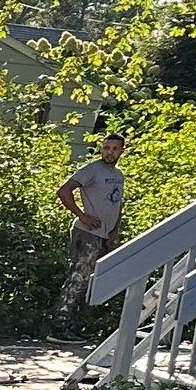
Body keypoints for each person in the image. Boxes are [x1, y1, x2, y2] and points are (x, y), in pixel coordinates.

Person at [52, 130, 128, 335]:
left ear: (122, 151)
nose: (109, 152)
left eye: (114, 149)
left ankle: (78, 325)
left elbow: (118, 204)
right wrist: (81, 214)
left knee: (92, 281)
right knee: (78, 277)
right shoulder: (92, 170)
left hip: (104, 235)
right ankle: (60, 326)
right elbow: (64, 191)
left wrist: (113, 230)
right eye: (106, 148)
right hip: (87, 233)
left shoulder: (118, 174)